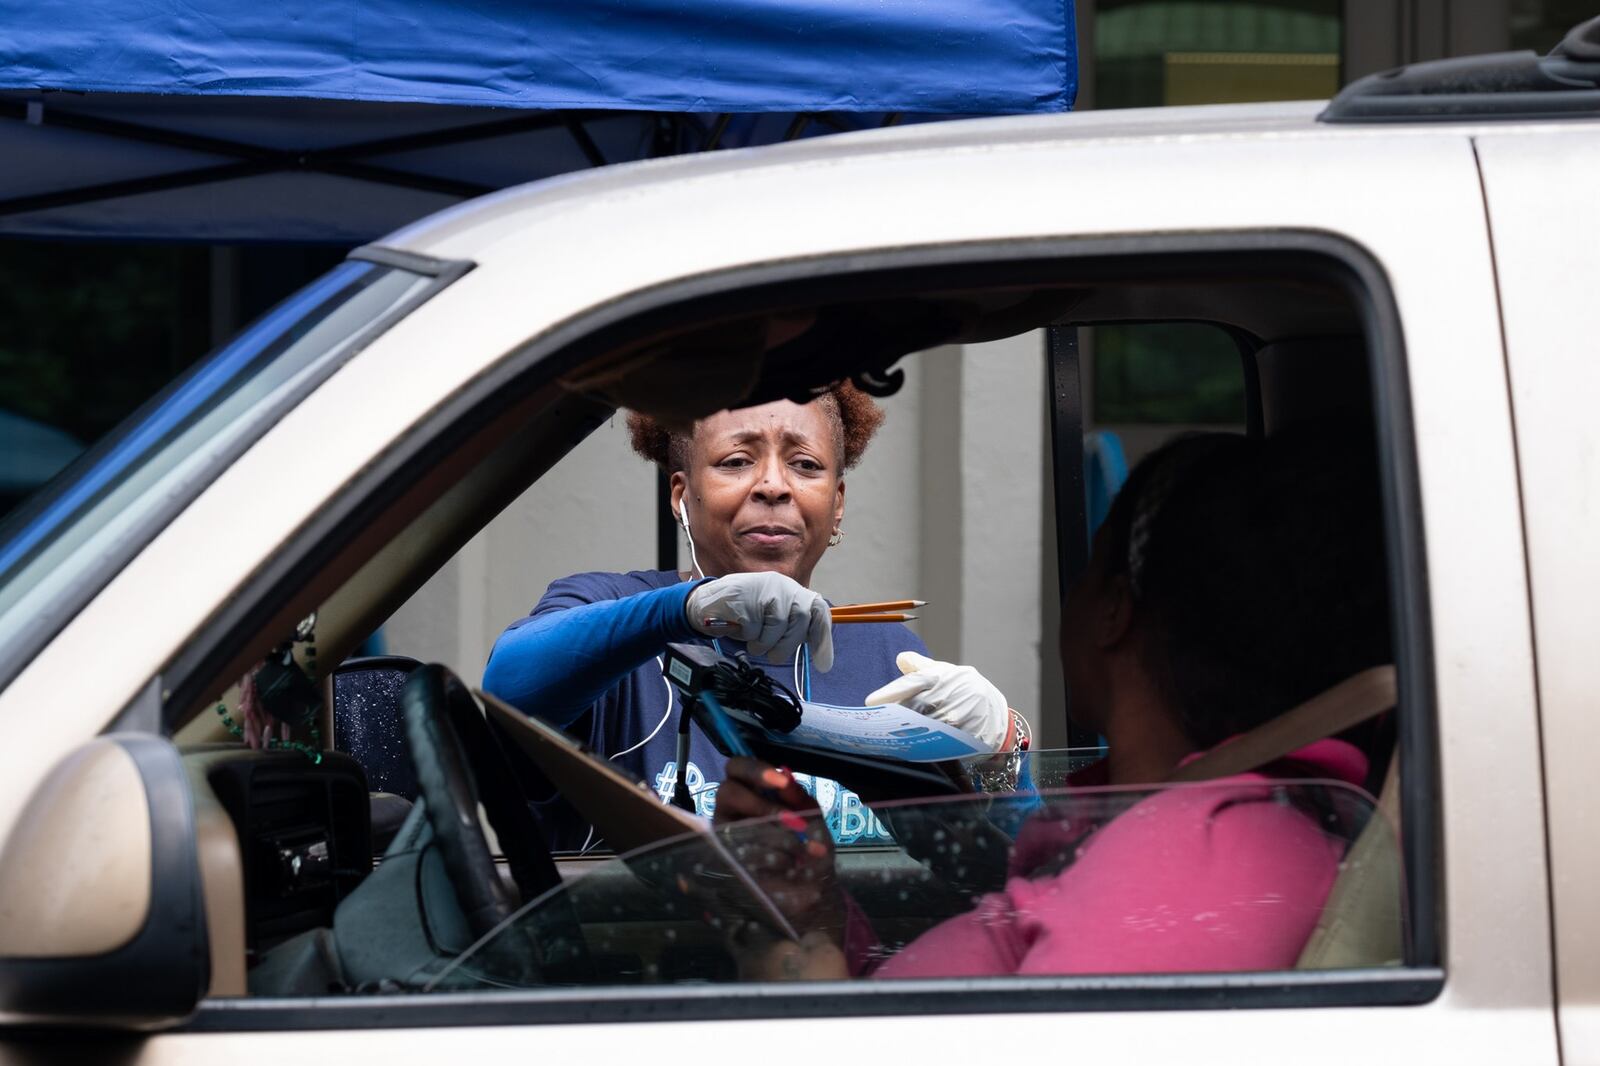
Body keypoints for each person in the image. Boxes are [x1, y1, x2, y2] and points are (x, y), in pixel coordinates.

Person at [713, 425, 1392, 979]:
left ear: (1114, 611)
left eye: (1090, 565)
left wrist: (807, 992)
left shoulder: (1194, 861)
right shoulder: (1188, 824)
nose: (772, 486)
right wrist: (819, 918)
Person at [482, 384, 1016, 852]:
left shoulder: (890, 656)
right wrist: (684, 611)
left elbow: (1007, 876)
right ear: (681, 494)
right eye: (736, 461)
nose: (773, 486)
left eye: (806, 465)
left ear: (837, 504)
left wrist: (1003, 749)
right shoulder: (611, 612)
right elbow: (507, 684)